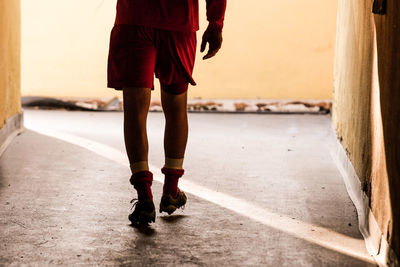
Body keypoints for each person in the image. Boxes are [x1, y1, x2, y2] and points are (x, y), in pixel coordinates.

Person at [107, 0, 227, 225]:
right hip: (178, 21)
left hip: (134, 18)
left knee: (134, 108)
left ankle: (144, 196)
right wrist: (216, 22)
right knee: (175, 106)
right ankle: (171, 190)